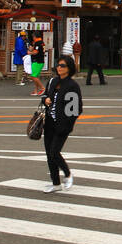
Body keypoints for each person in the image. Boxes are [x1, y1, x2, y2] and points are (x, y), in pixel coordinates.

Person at [41, 55, 83, 192]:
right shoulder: (53, 81)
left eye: (62, 65)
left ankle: (68, 174)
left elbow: (76, 109)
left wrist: (67, 125)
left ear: (69, 68)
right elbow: (44, 95)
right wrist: (46, 99)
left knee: (54, 152)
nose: (59, 67)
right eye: (58, 65)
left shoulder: (72, 86)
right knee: (49, 154)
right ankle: (56, 183)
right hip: (49, 123)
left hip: (62, 125)